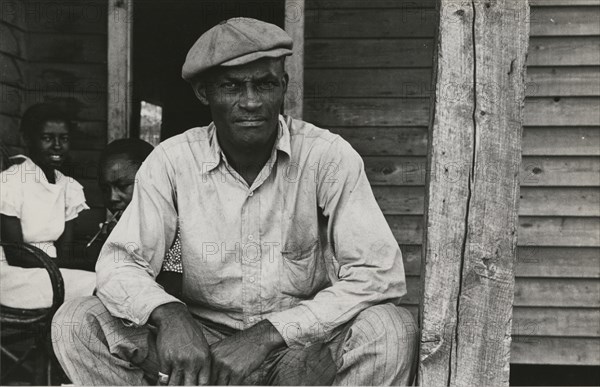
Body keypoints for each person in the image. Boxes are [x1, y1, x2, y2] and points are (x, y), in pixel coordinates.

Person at [52, 18, 418, 386]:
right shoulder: (172, 161)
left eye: (265, 84)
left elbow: (378, 274)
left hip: (299, 349)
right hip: (202, 350)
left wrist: (268, 334)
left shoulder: (327, 157)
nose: (251, 101)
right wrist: (169, 314)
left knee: (390, 329)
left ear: (284, 87)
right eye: (231, 86)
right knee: (77, 322)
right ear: (203, 93)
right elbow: (120, 262)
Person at [0, 103, 96, 309]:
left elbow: (65, 250)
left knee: (107, 280)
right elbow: (15, 255)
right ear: (28, 140)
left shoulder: (68, 187)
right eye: (47, 138)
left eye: (64, 138)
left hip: (52, 269)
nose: (57, 146)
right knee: (99, 285)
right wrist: (80, 266)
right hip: (14, 275)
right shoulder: (9, 183)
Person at [91, 138, 183, 298]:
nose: (112, 197)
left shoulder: (176, 228)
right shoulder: (117, 227)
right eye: (105, 189)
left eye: (123, 186)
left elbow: (171, 287)